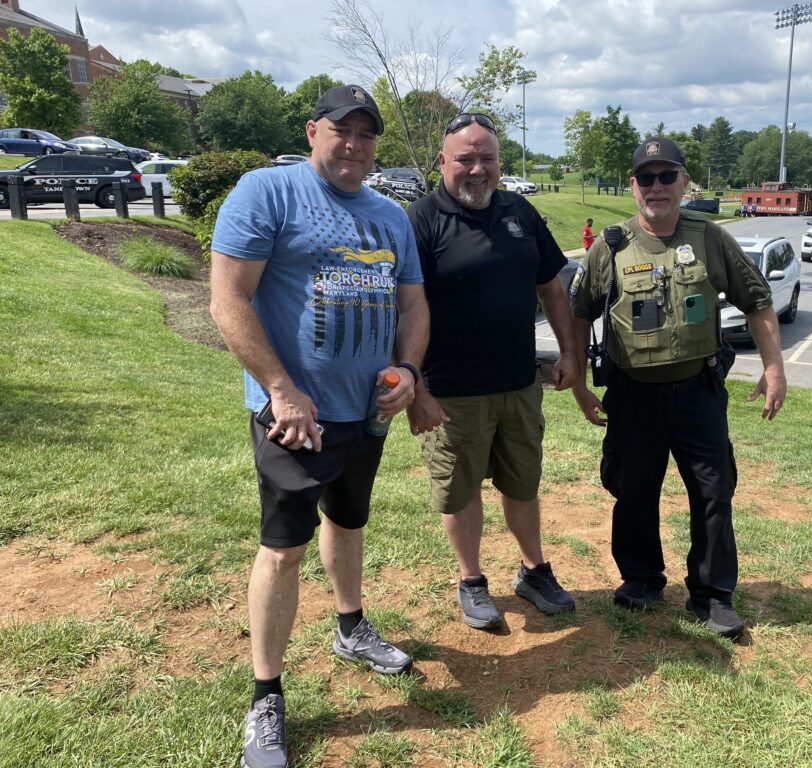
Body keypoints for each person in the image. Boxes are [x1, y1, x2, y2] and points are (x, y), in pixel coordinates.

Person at [209, 85, 430, 768]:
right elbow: (228, 299)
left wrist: (409, 371)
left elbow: (413, 304)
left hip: (365, 412)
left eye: (367, 134)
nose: (354, 145)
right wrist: (282, 390)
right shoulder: (267, 193)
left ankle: (350, 627)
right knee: (284, 548)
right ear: (313, 131)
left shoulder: (390, 216)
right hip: (294, 417)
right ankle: (266, 697)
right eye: (342, 130)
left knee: (349, 520)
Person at [568, 137, 786, 639]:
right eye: (647, 178)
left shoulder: (710, 238)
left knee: (713, 494)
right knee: (633, 491)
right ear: (633, 185)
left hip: (697, 393)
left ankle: (711, 595)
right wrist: (578, 384)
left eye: (667, 176)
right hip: (632, 395)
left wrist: (774, 369)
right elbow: (579, 314)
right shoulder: (610, 245)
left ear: (684, 182)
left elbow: (757, 302)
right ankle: (641, 580)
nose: (657, 187)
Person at [405, 112, 579, 629]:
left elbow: (551, 287)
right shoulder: (420, 220)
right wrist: (416, 388)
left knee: (522, 484)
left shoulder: (519, 212)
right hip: (450, 393)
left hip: (519, 385)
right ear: (442, 162)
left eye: (488, 158)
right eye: (466, 159)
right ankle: (472, 581)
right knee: (460, 492)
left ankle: (534, 571)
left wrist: (570, 353)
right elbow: (402, 308)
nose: (478, 169)